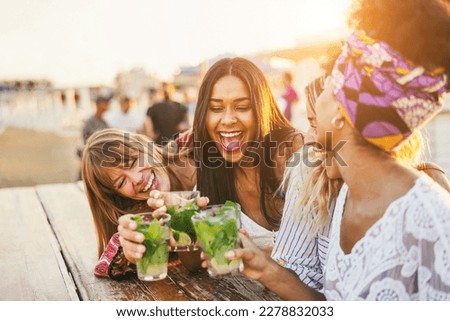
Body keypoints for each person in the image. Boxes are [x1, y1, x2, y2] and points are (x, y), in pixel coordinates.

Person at [223, 0, 450, 300]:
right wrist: (265, 268)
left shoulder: (433, 225)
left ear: (344, 110)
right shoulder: (347, 193)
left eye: (329, 87)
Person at [118, 57, 304, 263]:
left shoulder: (293, 154)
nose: (227, 120)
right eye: (215, 109)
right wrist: (180, 220)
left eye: (242, 107)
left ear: (262, 109)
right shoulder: (211, 169)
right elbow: (196, 261)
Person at [81, 128, 200, 278]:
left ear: (144, 146)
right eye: (122, 182)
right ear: (118, 196)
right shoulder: (146, 218)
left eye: (133, 161)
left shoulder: (193, 146)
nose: (136, 179)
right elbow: (104, 265)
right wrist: (129, 254)